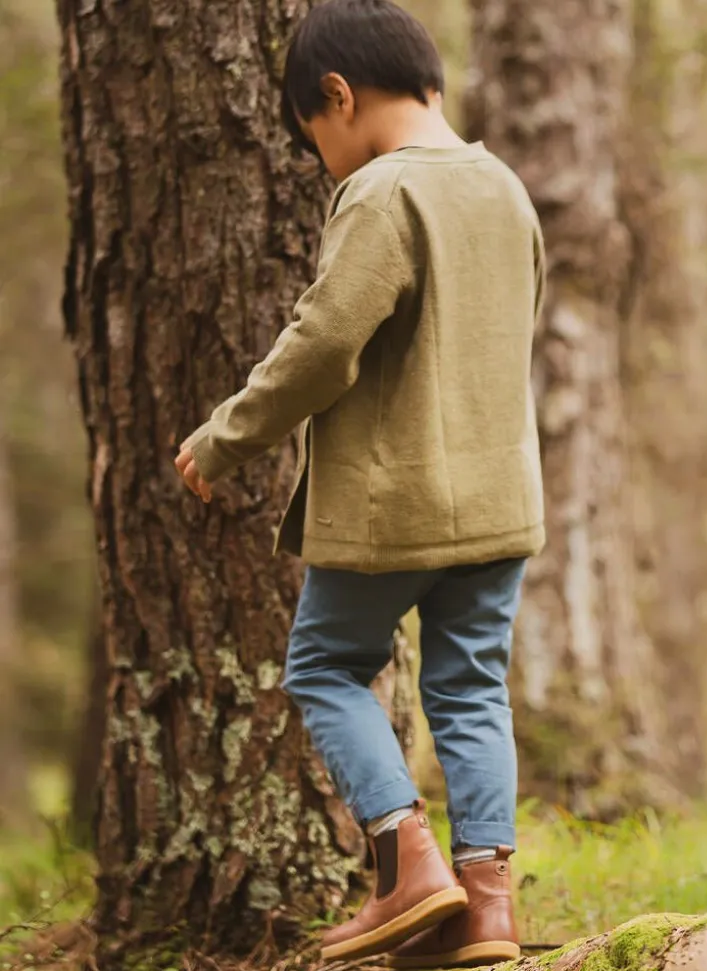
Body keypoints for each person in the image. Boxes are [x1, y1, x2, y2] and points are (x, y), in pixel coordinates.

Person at [174, 0, 546, 963]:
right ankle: (487, 907)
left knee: (325, 668)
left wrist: (225, 436)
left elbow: (325, 342)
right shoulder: (505, 188)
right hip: (501, 502)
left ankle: (405, 860)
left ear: (338, 96)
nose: (321, 161)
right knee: (470, 691)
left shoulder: (384, 194)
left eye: (315, 138)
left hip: (395, 505)